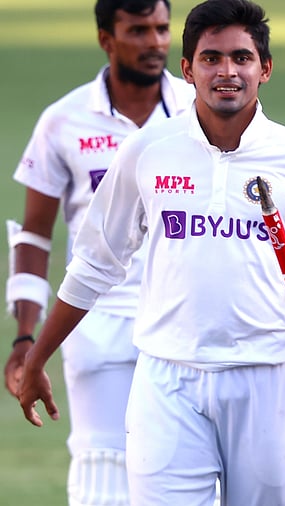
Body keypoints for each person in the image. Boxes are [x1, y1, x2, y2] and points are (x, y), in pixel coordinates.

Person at [15, 0, 285, 504]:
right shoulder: (148, 149)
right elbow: (94, 261)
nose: (227, 71)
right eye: (211, 58)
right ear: (188, 69)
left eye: (242, 58)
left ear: (265, 69)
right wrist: (37, 356)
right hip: (166, 376)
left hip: (267, 376)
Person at [3, 1, 193, 504]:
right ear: (107, 39)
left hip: (187, 318)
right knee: (104, 473)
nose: (154, 42)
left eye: (160, 29)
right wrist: (26, 335)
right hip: (98, 320)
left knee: (188, 470)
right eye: (137, 31)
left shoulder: (202, 112)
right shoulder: (63, 121)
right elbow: (34, 236)